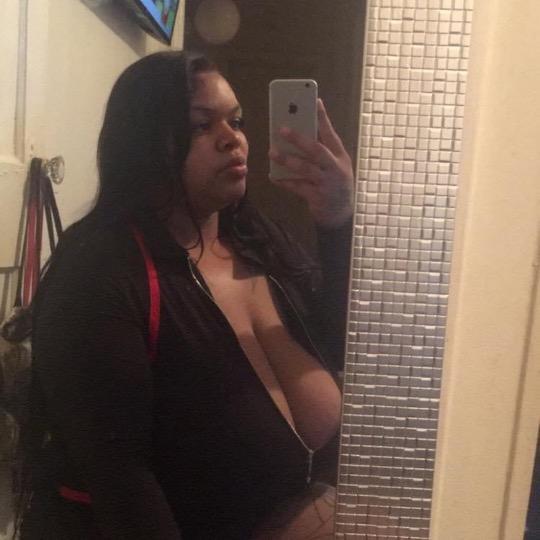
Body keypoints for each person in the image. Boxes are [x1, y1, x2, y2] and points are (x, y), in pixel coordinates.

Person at [16, 50, 353, 539]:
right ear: (145, 142)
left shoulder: (257, 242)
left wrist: (337, 220)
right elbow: (122, 483)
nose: (233, 138)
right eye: (201, 125)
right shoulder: (100, 273)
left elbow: (341, 344)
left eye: (236, 121)